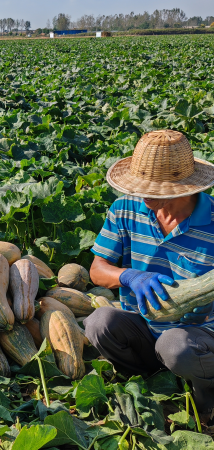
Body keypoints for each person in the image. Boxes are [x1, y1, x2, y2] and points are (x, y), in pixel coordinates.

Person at [85, 129, 214, 419]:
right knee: (99, 322)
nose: (141, 195)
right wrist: (129, 276)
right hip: (146, 329)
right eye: (138, 186)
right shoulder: (124, 210)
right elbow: (97, 270)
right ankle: (152, 381)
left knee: (175, 346)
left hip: (202, 337)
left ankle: (208, 399)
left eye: (151, 189)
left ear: (183, 189)